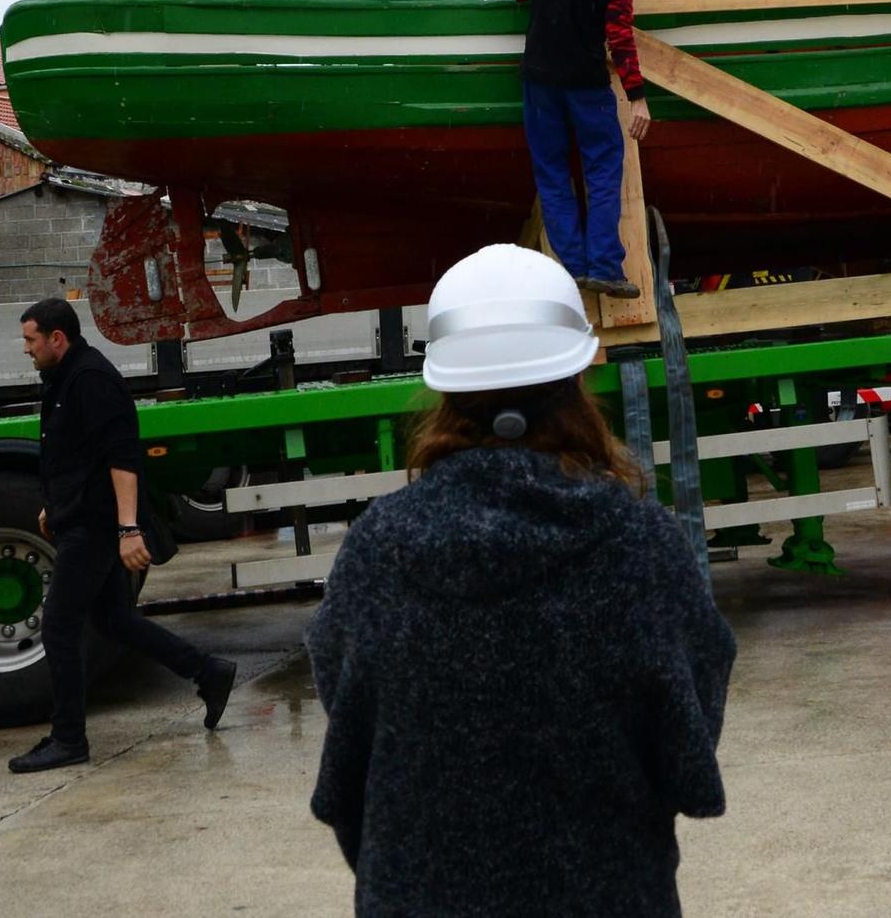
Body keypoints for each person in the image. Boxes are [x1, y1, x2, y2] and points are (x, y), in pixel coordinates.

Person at [307, 244, 735, 915]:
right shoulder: (643, 545)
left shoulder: (376, 550)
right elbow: (688, 742)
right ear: (576, 374)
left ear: (444, 388)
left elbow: (350, 739)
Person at [7, 297, 237, 774]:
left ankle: (69, 739)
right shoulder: (63, 378)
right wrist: (56, 503)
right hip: (81, 515)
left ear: (57, 339)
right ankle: (208, 671)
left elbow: (121, 458)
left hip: (97, 526)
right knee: (113, 619)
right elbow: (75, 454)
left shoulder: (92, 380)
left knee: (59, 627)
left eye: (30, 340)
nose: (25, 349)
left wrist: (129, 529)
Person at [512, 0, 652, 299]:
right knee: (604, 171)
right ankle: (605, 268)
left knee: (552, 173)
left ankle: (572, 269)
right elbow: (620, 39)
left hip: (539, 81)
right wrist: (637, 97)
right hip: (587, 86)